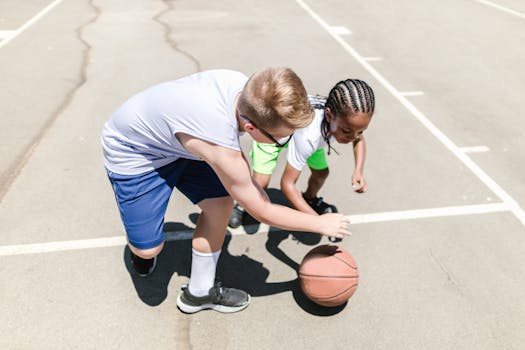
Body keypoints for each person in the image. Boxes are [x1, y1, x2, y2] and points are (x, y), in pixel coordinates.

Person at [101, 67, 351, 314]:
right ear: (252, 128)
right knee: (148, 250)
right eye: (281, 139)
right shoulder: (221, 145)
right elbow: (261, 209)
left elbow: (248, 186)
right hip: (135, 151)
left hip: (184, 139)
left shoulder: (245, 90)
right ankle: (140, 248)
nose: (285, 142)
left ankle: (199, 293)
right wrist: (318, 224)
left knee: (221, 203)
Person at [228, 79, 375, 233]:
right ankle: (240, 205)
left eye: (360, 130)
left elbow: (359, 139)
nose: (353, 136)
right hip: (272, 134)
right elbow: (287, 185)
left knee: (321, 173)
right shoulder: (309, 136)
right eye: (347, 131)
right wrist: (318, 222)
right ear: (329, 115)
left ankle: (309, 199)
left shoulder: (344, 120)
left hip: (316, 137)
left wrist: (358, 171)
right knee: (260, 183)